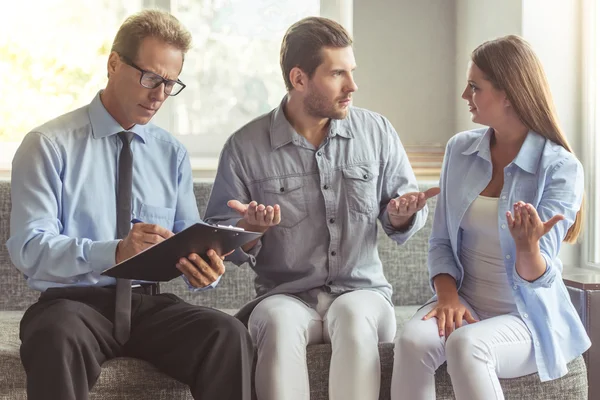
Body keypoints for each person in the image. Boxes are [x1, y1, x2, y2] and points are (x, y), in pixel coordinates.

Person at [7, 9, 253, 400]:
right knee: (55, 335)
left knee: (227, 333)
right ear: (113, 63)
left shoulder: (170, 153)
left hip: (148, 305)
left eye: (170, 84)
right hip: (72, 305)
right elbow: (29, 248)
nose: (159, 95)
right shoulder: (48, 145)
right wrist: (116, 251)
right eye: (151, 78)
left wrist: (204, 269)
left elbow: (188, 238)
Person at [203, 16, 439, 400]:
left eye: (352, 72)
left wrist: (401, 215)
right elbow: (218, 239)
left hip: (363, 294)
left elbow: (403, 213)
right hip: (284, 296)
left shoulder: (377, 132)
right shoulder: (243, 147)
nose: (352, 86)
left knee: (352, 315)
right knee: (277, 321)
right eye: (337, 74)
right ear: (299, 79)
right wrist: (249, 231)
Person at [391, 35, 590, 400]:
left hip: (526, 317)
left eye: (474, 86)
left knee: (467, 346)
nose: (465, 96)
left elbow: (537, 279)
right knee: (411, 341)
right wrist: (447, 298)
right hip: (466, 302)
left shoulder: (561, 167)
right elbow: (439, 243)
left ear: (509, 93)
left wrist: (528, 248)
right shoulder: (460, 150)